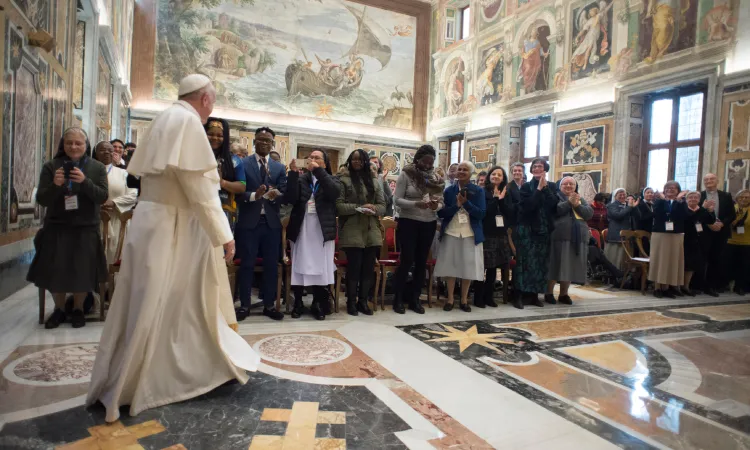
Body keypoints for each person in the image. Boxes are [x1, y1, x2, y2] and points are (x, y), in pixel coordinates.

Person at [87, 75, 259, 423]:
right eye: (213, 102)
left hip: (151, 221)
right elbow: (200, 188)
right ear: (206, 100)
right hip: (174, 227)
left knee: (144, 300)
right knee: (174, 300)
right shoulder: (188, 122)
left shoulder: (164, 118)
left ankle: (125, 378)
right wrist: (224, 234)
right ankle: (156, 380)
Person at [27, 128, 108, 329]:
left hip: (85, 228)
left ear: (86, 145)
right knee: (56, 272)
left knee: (82, 272)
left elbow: (102, 196)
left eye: (78, 143)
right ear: (63, 144)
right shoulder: (51, 166)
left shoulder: (97, 168)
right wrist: (55, 185)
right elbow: (42, 199)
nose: (73, 147)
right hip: (57, 227)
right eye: (69, 143)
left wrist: (85, 182)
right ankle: (60, 310)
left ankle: (78, 309)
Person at [235, 127, 287, 321]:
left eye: (268, 141)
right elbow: (238, 192)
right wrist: (253, 195)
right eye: (261, 140)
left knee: (271, 265)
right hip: (249, 222)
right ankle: (245, 305)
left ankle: (269, 305)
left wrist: (277, 194)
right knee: (247, 264)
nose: (265, 143)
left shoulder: (278, 167)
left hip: (271, 223)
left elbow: (284, 190)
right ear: (254, 142)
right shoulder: (243, 164)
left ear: (273, 144)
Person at [285, 150, 341, 320]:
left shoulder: (332, 179)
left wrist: (318, 171)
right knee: (301, 265)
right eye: (311, 157)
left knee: (321, 267)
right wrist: (293, 175)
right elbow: (291, 198)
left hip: (322, 230)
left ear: (325, 163)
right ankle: (299, 304)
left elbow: (334, 193)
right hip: (303, 228)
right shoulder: (302, 179)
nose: (313, 160)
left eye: (318, 158)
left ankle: (318, 303)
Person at [392, 145, 444, 314]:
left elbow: (442, 202)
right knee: (407, 260)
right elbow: (397, 200)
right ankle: (398, 298)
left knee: (421, 262)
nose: (428, 165)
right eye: (425, 162)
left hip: (428, 222)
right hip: (408, 222)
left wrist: (437, 206)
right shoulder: (406, 174)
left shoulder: (436, 178)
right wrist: (416, 203)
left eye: (431, 162)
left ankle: (415, 299)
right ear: (417, 159)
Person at [337, 149, 385, 316]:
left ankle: (363, 301)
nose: (357, 162)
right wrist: (358, 208)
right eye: (354, 160)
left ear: (365, 162)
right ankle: (351, 302)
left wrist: (373, 208)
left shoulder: (374, 180)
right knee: (354, 268)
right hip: (352, 229)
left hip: (371, 230)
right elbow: (339, 206)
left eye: (360, 160)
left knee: (367, 269)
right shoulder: (343, 180)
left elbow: (382, 206)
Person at [435, 161, 486, 312]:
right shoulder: (449, 190)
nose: (461, 172)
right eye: (460, 170)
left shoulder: (478, 191)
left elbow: (481, 213)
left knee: (468, 266)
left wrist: (467, 204)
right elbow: (441, 213)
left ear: (470, 174)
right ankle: (450, 299)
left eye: (465, 170)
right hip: (452, 231)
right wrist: (456, 206)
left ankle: (464, 300)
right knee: (451, 265)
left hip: (470, 232)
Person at [514, 158, 557, 309]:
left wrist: (545, 189)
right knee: (523, 263)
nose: (537, 168)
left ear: (545, 169)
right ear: (531, 170)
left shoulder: (551, 186)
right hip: (527, 230)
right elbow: (528, 207)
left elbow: (554, 206)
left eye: (541, 166)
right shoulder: (526, 187)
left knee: (539, 264)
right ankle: (518, 295)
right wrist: (538, 190)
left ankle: (533, 295)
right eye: (535, 166)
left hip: (544, 230)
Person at [546, 177, 593, 305]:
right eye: (565, 184)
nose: (568, 186)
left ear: (575, 186)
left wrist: (577, 204)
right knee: (555, 265)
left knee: (569, 267)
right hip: (559, 237)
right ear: (560, 186)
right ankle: (549, 293)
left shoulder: (579, 198)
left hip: (576, 238)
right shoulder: (555, 197)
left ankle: (563, 294)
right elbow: (556, 210)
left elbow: (589, 213)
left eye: (571, 184)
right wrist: (569, 203)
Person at [473, 166, 514, 308]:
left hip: (500, 234)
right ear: (489, 176)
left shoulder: (507, 193)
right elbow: (485, 213)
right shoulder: (482, 192)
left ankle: (488, 297)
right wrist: (496, 199)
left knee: (493, 269)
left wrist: (501, 200)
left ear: (503, 178)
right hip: (486, 233)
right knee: (482, 267)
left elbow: (510, 213)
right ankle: (478, 297)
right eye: (494, 174)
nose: (496, 176)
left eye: (500, 175)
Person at [92, 141, 138, 264]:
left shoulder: (123, 173)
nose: (107, 152)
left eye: (110, 150)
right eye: (102, 150)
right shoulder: (88, 173)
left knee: (114, 260)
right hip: (93, 221)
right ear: (95, 153)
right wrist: (97, 206)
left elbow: (134, 194)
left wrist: (114, 202)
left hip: (117, 221)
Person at [649, 181, 689, 298]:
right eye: (667, 188)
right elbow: (657, 213)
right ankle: (657, 287)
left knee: (671, 260)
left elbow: (684, 216)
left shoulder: (681, 202)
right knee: (660, 260)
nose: (670, 190)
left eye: (673, 188)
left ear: (678, 190)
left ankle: (666, 288)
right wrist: (665, 201)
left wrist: (678, 201)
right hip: (660, 234)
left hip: (676, 234)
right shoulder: (659, 201)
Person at [205, 118, 246, 227]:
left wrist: (222, 182)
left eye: (220, 136)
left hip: (224, 211)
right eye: (210, 134)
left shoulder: (234, 160)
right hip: (197, 209)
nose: (215, 138)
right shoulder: (195, 156)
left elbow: (242, 186)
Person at [700, 173, 736, 296]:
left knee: (716, 259)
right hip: (703, 232)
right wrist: (709, 224)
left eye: (712, 179)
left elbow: (731, 215)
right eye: (706, 179)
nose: (709, 181)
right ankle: (698, 285)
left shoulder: (726, 195)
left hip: (721, 232)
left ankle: (711, 286)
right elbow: (696, 213)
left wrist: (721, 224)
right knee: (701, 259)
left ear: (717, 181)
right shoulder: (699, 195)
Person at [682, 191, 716, 296]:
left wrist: (711, 211)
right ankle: (680, 286)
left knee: (693, 265)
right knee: (684, 264)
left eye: (695, 197)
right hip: (685, 240)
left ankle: (687, 287)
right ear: (686, 199)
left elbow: (710, 220)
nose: (693, 199)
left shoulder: (701, 210)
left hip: (699, 241)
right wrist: (703, 209)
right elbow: (691, 218)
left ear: (699, 199)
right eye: (690, 197)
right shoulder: (684, 209)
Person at [605, 188, 640, 270]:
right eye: (620, 194)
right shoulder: (611, 205)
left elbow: (638, 217)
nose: (622, 196)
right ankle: (615, 275)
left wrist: (634, 207)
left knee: (626, 260)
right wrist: (629, 207)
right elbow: (618, 215)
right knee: (615, 259)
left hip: (628, 236)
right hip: (616, 236)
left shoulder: (628, 205)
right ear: (615, 196)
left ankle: (625, 275)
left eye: (624, 194)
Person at [725, 189, 750, 295]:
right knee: (728, 265)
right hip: (730, 241)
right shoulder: (732, 209)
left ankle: (739, 286)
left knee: (743, 266)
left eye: (747, 197)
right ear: (737, 198)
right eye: (741, 197)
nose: (744, 199)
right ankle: (725, 284)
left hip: (746, 242)